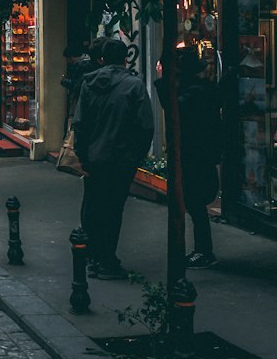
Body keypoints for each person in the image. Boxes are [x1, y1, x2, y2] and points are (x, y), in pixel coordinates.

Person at [73, 37, 153, 280]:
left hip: (94, 157)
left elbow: (80, 123)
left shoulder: (89, 83)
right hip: (120, 159)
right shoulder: (134, 86)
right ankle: (106, 260)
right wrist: (136, 157)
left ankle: (92, 256)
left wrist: (82, 154)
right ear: (125, 58)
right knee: (113, 209)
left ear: (102, 59)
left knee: (94, 205)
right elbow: (146, 126)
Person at [155, 48, 222, 269]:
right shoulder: (202, 88)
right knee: (194, 202)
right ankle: (203, 249)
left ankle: (204, 250)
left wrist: (163, 81)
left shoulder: (194, 92)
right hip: (199, 153)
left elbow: (175, 109)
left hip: (194, 154)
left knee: (194, 202)